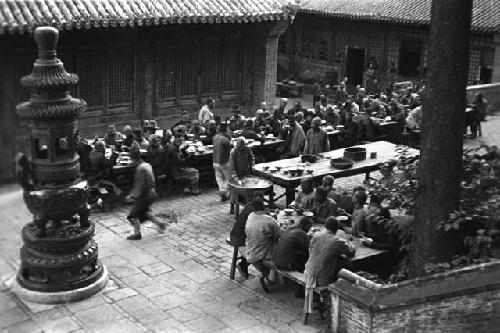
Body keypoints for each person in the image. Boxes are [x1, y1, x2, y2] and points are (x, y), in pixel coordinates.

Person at [303, 217, 355, 321]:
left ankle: (319, 303)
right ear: (336, 229)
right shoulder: (337, 241)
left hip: (308, 271)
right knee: (341, 273)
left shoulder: (315, 235)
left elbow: (311, 250)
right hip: (322, 278)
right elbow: (351, 251)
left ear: (325, 226)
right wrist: (349, 242)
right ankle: (332, 307)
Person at [125, 149, 166, 240]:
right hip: (151, 193)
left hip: (144, 195)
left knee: (132, 215)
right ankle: (160, 224)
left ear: (134, 159)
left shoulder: (140, 169)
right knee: (145, 213)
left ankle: (137, 234)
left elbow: (140, 185)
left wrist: (132, 196)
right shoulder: (147, 165)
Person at [245, 198, 281, 293]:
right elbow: (279, 234)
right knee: (284, 245)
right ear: (264, 207)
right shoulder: (268, 220)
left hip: (251, 248)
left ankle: (268, 275)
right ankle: (271, 277)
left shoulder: (251, 216)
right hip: (264, 252)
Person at [229, 192, 265, 279]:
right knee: (262, 246)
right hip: (240, 239)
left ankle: (243, 265)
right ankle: (265, 272)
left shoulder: (249, 205)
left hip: (235, 234)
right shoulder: (254, 213)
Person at [229, 137, 255, 214]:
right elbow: (232, 166)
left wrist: (252, 165)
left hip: (245, 172)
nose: (242, 148)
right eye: (240, 147)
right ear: (237, 146)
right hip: (236, 174)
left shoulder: (247, 149)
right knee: (234, 190)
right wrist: (235, 177)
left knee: (247, 188)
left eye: (243, 147)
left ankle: (247, 205)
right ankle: (232, 206)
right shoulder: (233, 152)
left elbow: (252, 157)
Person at [212, 123, 232, 202]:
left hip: (215, 161)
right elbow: (229, 151)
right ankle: (226, 193)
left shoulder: (215, 137)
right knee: (228, 179)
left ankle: (222, 191)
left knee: (219, 178)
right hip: (224, 162)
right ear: (226, 130)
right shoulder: (225, 140)